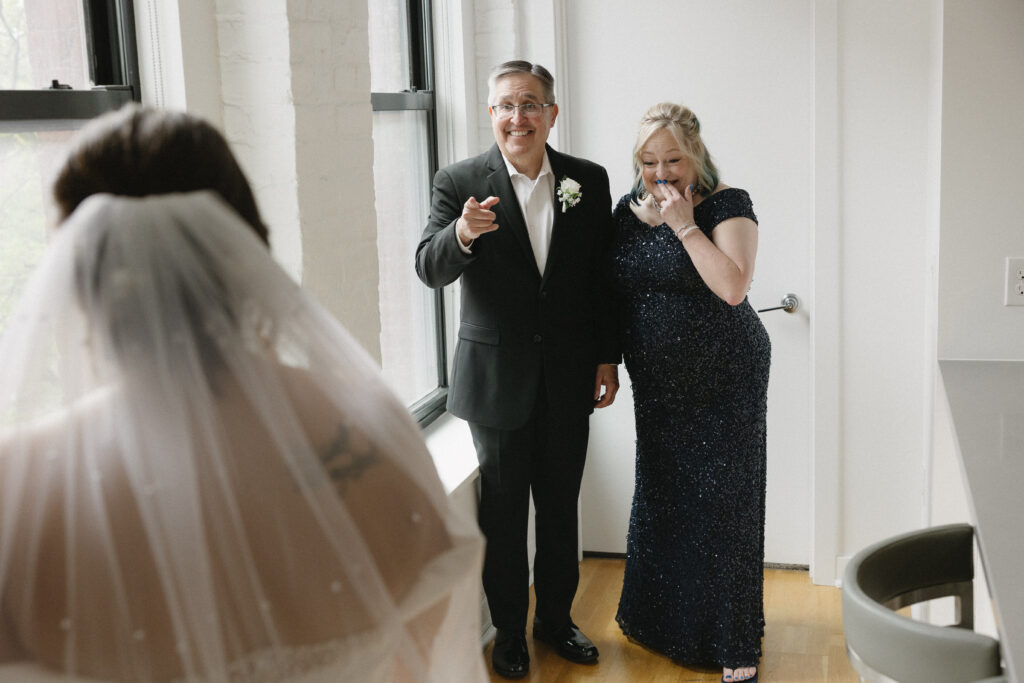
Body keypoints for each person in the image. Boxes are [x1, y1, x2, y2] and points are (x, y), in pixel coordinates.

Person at [0, 106, 486, 682]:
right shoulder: (371, 422)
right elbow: (422, 657)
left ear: (74, 279)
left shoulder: (17, 484)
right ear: (251, 246)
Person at [415, 60, 621, 679]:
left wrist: (608, 356)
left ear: (552, 114)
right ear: (490, 114)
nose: (517, 117)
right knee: (502, 519)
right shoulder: (458, 181)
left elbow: (600, 282)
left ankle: (555, 622)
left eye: (530, 104)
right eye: (506, 105)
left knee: (561, 511)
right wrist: (462, 234)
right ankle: (509, 633)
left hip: (568, 379)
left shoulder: (588, 180)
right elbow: (428, 266)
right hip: (495, 386)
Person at [609, 102, 770, 683]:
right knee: (665, 496)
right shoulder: (627, 212)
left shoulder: (729, 203)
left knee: (725, 505)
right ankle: (665, 625)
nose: (661, 172)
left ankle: (734, 642)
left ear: (695, 153)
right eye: (649, 161)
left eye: (672, 159)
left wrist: (683, 226)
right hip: (659, 385)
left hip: (726, 376)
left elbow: (732, 286)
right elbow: (612, 291)